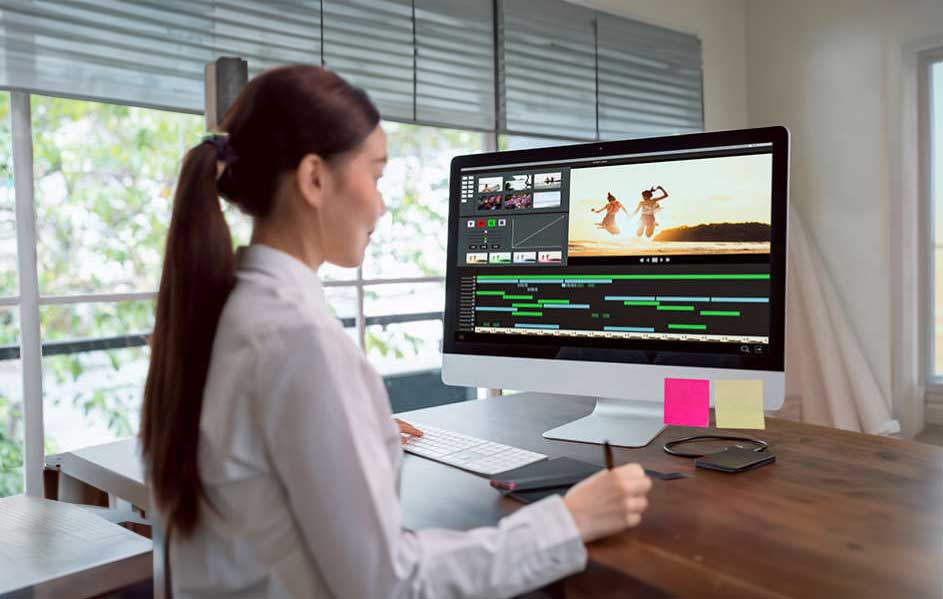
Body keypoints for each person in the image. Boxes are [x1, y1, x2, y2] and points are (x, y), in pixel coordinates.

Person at [139, 65, 652, 599]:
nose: (381, 205)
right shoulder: (299, 343)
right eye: (376, 175)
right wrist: (566, 521)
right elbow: (390, 584)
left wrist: (355, 426)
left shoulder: (228, 309)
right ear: (314, 179)